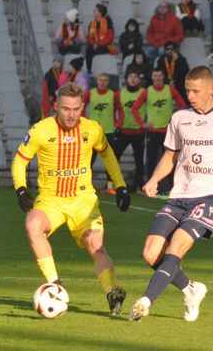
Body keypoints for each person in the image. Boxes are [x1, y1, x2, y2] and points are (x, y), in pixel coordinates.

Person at [129, 66, 213, 322]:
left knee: (176, 247)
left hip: (210, 196)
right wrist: (154, 179)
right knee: (150, 253)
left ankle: (145, 301)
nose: (190, 95)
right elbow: (170, 155)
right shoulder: (180, 118)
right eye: (188, 90)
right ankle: (191, 289)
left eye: (196, 91)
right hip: (179, 195)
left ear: (211, 89)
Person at [12, 82, 132, 314]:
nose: (71, 114)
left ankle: (112, 292)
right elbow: (20, 160)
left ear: (82, 106)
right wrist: (20, 188)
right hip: (51, 200)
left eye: (76, 109)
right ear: (56, 106)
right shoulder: (41, 130)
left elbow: (107, 153)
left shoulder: (92, 129)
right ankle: (54, 285)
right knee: (32, 224)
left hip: (83, 201)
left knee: (95, 245)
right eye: (66, 108)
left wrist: (121, 186)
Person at [132, 68, 188, 196]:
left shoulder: (170, 90)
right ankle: (150, 188)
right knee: (151, 160)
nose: (157, 78)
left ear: (163, 77)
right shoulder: (147, 92)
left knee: (172, 160)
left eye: (159, 76)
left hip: (168, 132)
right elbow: (135, 109)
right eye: (155, 76)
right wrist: (142, 124)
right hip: (152, 131)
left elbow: (183, 106)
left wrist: (179, 122)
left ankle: (173, 189)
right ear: (152, 78)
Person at [83, 72, 118, 193]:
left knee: (109, 160)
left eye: (105, 80)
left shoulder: (113, 95)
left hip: (108, 132)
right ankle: (86, 185)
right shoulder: (90, 93)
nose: (102, 82)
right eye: (100, 80)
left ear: (108, 82)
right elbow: (81, 106)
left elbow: (120, 109)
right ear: (97, 81)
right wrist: (81, 122)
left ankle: (109, 186)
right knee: (88, 160)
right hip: (92, 133)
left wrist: (118, 122)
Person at [114, 70, 147, 192]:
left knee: (139, 161)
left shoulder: (144, 93)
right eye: (130, 77)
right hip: (123, 132)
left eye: (135, 77)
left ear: (139, 80)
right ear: (126, 79)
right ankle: (115, 184)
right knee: (114, 157)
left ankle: (137, 186)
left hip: (138, 132)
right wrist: (115, 122)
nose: (133, 79)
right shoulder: (119, 93)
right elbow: (111, 108)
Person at [86, 4, 116, 73]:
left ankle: (99, 69)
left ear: (100, 13)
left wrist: (98, 44)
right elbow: (89, 37)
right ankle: (89, 69)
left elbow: (109, 39)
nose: (93, 12)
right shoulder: (92, 23)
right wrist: (93, 43)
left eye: (95, 10)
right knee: (89, 49)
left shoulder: (108, 23)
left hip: (106, 45)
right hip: (94, 45)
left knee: (99, 50)